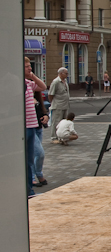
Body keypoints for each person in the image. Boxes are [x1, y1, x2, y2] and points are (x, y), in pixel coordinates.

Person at [25, 57, 47, 196]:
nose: (30, 68)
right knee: (36, 154)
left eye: (30, 66)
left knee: (30, 159)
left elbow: (43, 87)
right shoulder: (17, 83)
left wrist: (32, 76)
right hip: (25, 125)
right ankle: (30, 186)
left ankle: (30, 188)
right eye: (27, 66)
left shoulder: (28, 83)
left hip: (34, 125)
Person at [32, 89, 49, 187]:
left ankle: (34, 176)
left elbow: (42, 111)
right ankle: (36, 175)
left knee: (35, 154)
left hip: (39, 128)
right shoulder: (24, 98)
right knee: (39, 153)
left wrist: (46, 116)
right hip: (30, 129)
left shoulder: (37, 97)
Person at [48, 67, 70, 143]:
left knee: (64, 122)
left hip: (65, 105)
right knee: (56, 122)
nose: (67, 75)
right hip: (58, 105)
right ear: (61, 73)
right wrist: (53, 102)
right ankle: (54, 137)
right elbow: (51, 94)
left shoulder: (65, 81)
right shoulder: (56, 82)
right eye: (66, 73)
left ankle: (62, 137)